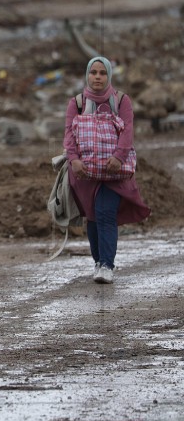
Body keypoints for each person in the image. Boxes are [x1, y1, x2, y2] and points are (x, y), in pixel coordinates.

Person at [63, 56, 150, 284]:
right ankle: (98, 262)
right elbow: (69, 136)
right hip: (85, 173)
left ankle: (107, 266)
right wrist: (73, 160)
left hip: (113, 171)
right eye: (94, 72)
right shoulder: (77, 103)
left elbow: (128, 131)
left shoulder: (121, 101)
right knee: (92, 217)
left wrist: (119, 157)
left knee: (105, 213)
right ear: (87, 75)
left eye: (102, 73)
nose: (98, 77)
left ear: (109, 75)